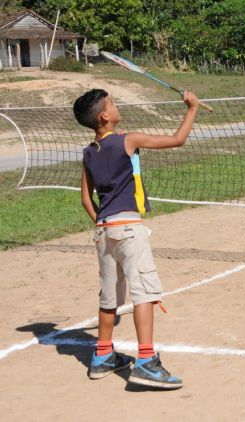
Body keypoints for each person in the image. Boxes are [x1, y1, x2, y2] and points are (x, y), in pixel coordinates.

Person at [73, 88, 200, 388]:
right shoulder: (128, 140)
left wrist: (103, 224)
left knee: (109, 298)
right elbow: (177, 140)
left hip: (103, 230)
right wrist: (191, 108)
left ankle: (103, 355)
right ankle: (145, 361)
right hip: (129, 228)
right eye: (113, 103)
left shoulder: (89, 152)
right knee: (144, 292)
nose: (117, 106)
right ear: (105, 115)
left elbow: (85, 199)